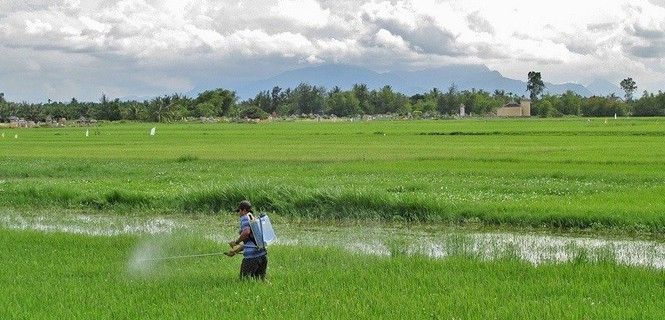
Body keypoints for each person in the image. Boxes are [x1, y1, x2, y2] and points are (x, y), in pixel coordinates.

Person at [225, 200, 268, 280]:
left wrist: (236, 242)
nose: (239, 213)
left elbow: (246, 232)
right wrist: (234, 251)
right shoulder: (253, 218)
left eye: (239, 211)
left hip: (252, 257)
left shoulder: (244, 218)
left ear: (244, 210)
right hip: (262, 255)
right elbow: (250, 242)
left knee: (244, 281)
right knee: (260, 281)